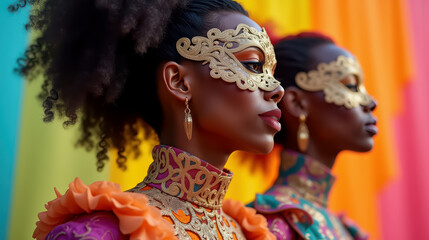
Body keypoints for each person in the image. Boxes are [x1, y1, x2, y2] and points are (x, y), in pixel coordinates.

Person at [9, 0, 284, 239]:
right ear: (179, 82)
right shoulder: (100, 233)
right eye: (252, 65)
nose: (276, 89)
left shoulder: (251, 233)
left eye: (271, 72)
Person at [248, 32, 376, 239]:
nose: (371, 102)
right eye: (351, 86)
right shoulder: (270, 223)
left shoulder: (345, 229)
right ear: (297, 103)